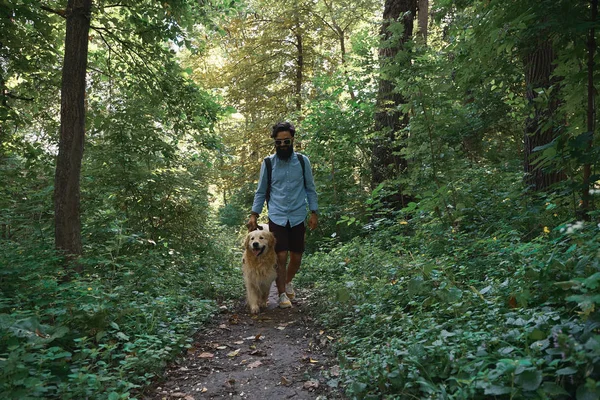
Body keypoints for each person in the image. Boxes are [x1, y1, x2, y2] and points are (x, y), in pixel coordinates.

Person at [247, 121, 318, 309]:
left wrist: (314, 212)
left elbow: (310, 189)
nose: (282, 145)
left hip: (297, 214)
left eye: (286, 141)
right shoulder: (268, 163)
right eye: (278, 142)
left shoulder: (303, 162)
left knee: (296, 256)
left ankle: (286, 282)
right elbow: (261, 191)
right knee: (281, 256)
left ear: (292, 140)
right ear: (274, 142)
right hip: (277, 214)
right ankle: (281, 295)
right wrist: (254, 214)